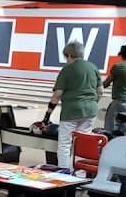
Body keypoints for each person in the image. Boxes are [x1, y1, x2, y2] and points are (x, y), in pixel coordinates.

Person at [37, 40, 102, 171]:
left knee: (65, 144)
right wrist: (91, 103)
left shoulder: (67, 70)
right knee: (82, 143)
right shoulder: (93, 67)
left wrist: (46, 116)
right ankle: (79, 173)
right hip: (90, 112)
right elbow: (100, 91)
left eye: (66, 57)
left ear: (69, 55)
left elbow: (57, 95)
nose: (66, 60)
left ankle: (64, 174)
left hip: (71, 112)